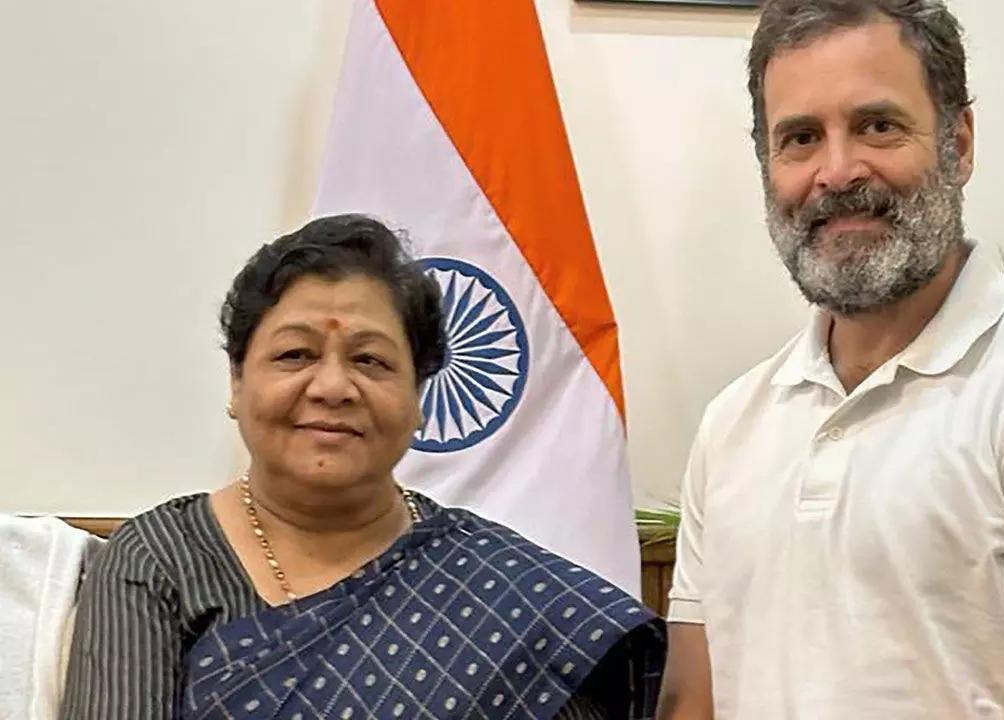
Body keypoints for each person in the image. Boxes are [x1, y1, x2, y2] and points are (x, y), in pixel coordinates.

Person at [658, 1, 1004, 718]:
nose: (838, 171)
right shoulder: (732, 425)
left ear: (958, 143)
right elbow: (695, 704)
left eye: (877, 125)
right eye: (801, 138)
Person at [59, 214, 665, 719]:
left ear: (419, 399)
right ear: (236, 385)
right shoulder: (157, 560)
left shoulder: (502, 593)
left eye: (371, 361)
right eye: (295, 354)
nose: (332, 386)